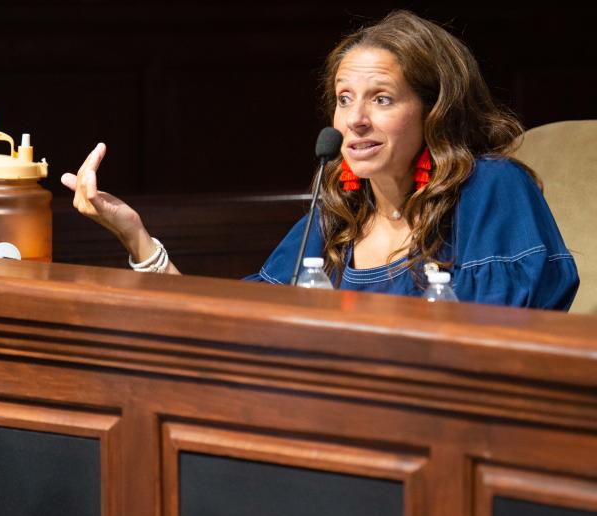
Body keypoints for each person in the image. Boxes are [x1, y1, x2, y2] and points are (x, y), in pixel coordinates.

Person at [62, 10, 579, 310]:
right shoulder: (337, 216)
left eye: (381, 99)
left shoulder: (490, 189)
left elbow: (505, 340)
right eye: (344, 98)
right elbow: (238, 326)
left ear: (434, 108)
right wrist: (135, 236)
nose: (354, 121)